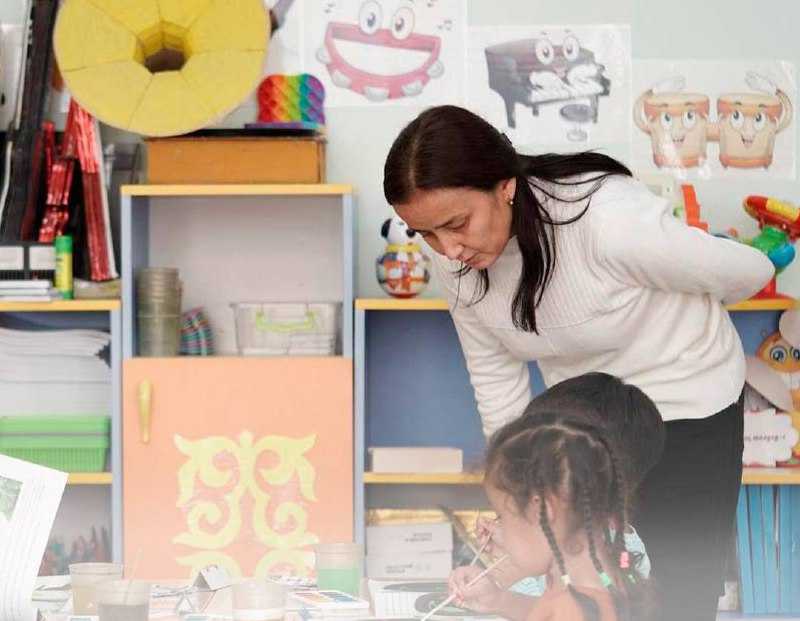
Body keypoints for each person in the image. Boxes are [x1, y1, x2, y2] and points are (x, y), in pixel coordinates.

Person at [383, 105, 774, 621]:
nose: (447, 249)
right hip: (589, 418)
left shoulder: (606, 219)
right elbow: (494, 375)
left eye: (456, 224)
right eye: (427, 234)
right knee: (582, 578)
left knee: (679, 592)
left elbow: (750, 271)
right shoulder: (454, 257)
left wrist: (668, 319)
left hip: (689, 400)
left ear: (505, 186)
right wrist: (517, 494)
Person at [450, 373, 664, 621]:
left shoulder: (568, 605)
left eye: (504, 518)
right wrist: (500, 600)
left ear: (542, 511)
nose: (500, 532)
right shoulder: (597, 580)